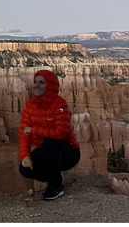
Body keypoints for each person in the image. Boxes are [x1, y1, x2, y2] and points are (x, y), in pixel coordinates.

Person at [19, 69, 80, 201]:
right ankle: (54, 176)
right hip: (46, 152)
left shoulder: (60, 104)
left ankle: (55, 186)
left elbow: (60, 133)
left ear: (50, 85)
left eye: (41, 82)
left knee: (50, 142)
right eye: (35, 82)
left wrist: (34, 130)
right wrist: (24, 155)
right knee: (24, 168)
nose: (36, 85)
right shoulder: (30, 106)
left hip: (68, 153)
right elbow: (24, 133)